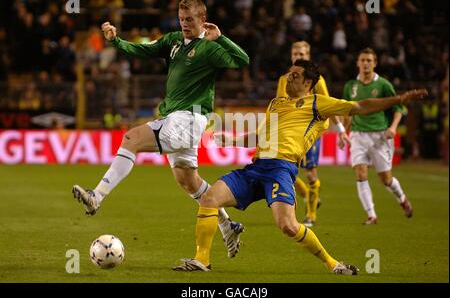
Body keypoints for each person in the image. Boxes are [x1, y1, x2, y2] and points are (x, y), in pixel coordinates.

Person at [172, 60, 427, 272]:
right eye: (288, 74)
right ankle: (202, 260)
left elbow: (360, 106)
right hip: (256, 167)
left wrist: (399, 99)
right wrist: (233, 140)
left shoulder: (318, 103)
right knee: (209, 198)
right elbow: (264, 137)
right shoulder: (276, 103)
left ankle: (333, 263)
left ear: (307, 83)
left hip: (282, 169)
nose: (288, 78)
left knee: (288, 226)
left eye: (294, 76)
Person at [72, 0, 250, 258]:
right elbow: (143, 51)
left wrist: (221, 38)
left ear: (203, 19)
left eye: (190, 20)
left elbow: (243, 60)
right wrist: (115, 41)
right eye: (181, 19)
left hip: (189, 118)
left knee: (131, 138)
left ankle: (97, 196)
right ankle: (227, 225)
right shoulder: (173, 41)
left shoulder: (210, 49)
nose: (185, 24)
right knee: (188, 181)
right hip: (176, 118)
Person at [276, 41, 348, 227]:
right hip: (288, 133)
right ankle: (309, 195)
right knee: (282, 170)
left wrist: (340, 130)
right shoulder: (284, 79)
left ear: (307, 56)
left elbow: (329, 105)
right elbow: (279, 105)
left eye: (302, 53)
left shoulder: (317, 80)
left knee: (310, 173)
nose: (298, 56)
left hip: (309, 132)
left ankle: (311, 215)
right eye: (295, 53)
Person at [338, 48, 413, 225]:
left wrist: (393, 127)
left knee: (386, 180)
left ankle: (402, 198)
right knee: (360, 173)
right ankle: (372, 215)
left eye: (369, 60)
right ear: (357, 62)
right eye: (362, 60)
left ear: (375, 63)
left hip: (380, 136)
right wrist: (343, 133)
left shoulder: (384, 85)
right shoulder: (350, 86)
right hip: (357, 135)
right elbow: (347, 112)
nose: (365, 63)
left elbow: (398, 108)